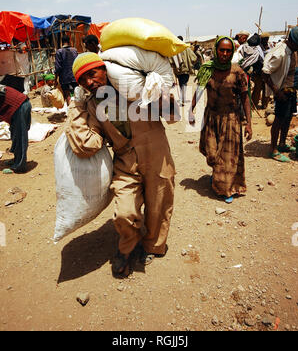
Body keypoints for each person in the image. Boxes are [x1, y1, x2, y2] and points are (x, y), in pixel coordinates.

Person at [65, 52, 179, 277]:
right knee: (125, 212)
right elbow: (88, 145)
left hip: (156, 152)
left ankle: (153, 245)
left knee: (159, 204)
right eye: (82, 80)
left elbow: (173, 115)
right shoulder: (90, 105)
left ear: (104, 70)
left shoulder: (135, 86)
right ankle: (128, 246)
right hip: (125, 161)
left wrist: (159, 92)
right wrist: (75, 108)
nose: (89, 82)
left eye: (92, 74)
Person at [189, 36, 252, 203]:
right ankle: (217, 174)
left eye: (228, 51)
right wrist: (191, 109)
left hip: (231, 119)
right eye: (222, 50)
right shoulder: (207, 69)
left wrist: (249, 124)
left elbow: (245, 98)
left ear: (232, 52)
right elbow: (199, 89)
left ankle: (226, 189)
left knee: (227, 156)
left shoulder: (237, 72)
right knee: (212, 153)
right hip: (211, 117)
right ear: (216, 50)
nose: (225, 53)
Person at [262, 26, 298, 162]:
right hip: (282, 91)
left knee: (288, 117)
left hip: (291, 90)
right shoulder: (281, 53)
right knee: (278, 120)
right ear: (292, 42)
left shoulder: (291, 51)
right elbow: (265, 73)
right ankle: (273, 149)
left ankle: (282, 144)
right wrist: (276, 91)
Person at [0, 83, 31, 173]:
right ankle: (16, 159)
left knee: (20, 137)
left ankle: (19, 166)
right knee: (15, 135)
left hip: (19, 106)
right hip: (18, 106)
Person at [171, 36, 197, 106]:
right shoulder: (187, 49)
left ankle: (182, 98)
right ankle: (183, 98)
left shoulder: (174, 49)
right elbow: (194, 58)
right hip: (186, 70)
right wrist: (190, 64)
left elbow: (171, 61)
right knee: (184, 84)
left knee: (181, 84)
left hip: (178, 71)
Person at [54, 35, 78, 106]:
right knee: (77, 92)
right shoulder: (74, 50)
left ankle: (70, 109)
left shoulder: (59, 51)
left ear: (61, 42)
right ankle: (78, 108)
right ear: (69, 40)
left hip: (64, 77)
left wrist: (55, 79)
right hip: (74, 75)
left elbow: (58, 67)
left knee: (67, 94)